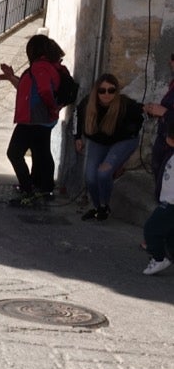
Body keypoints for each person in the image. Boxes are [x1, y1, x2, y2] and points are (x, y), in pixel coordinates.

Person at [0, 34, 64, 207]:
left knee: (14, 153)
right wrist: (11, 77)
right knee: (41, 154)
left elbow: (44, 91)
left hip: (34, 119)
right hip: (41, 119)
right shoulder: (45, 66)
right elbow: (29, 89)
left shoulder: (40, 67)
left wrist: (51, 108)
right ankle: (44, 188)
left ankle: (29, 190)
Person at [73, 73, 143, 221]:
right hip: (99, 142)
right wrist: (77, 137)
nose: (106, 94)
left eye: (111, 90)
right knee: (91, 177)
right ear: (96, 91)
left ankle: (105, 205)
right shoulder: (88, 104)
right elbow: (76, 116)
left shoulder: (126, 105)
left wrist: (119, 159)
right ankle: (99, 208)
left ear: (116, 91)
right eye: (102, 90)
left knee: (103, 173)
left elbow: (140, 116)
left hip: (123, 141)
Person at [143, 121, 174, 275]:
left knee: (151, 229)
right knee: (170, 236)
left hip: (171, 204)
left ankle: (159, 259)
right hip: (168, 201)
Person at [143, 53, 174, 201]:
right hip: (164, 141)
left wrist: (164, 112)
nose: (171, 62)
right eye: (172, 58)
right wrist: (154, 111)